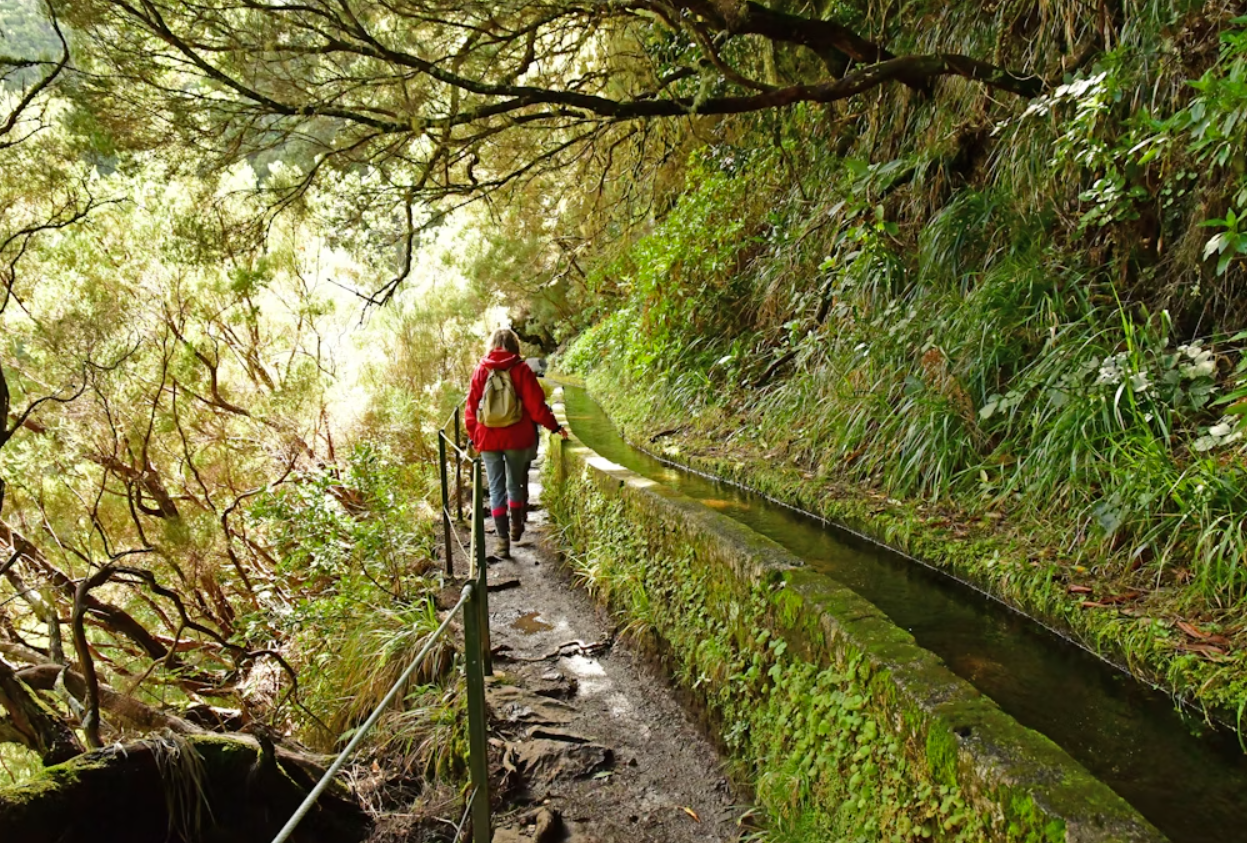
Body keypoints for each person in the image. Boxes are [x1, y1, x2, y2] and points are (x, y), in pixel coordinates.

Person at [464, 329, 567, 557]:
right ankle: (516, 527)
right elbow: (537, 407)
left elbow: (471, 408)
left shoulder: (481, 370)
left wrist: (475, 436)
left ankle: (502, 542)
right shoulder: (521, 370)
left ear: (492, 344)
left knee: (495, 487)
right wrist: (556, 427)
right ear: (514, 345)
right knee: (514, 484)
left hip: (488, 437)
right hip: (517, 437)